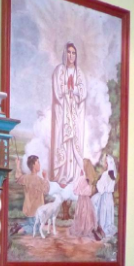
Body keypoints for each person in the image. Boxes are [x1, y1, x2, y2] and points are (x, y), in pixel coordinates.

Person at [50, 42, 87, 186]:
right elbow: (57, 91)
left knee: (73, 143)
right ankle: (63, 175)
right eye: (69, 52)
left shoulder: (79, 73)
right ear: (65, 54)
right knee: (63, 141)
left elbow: (83, 92)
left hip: (74, 113)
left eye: (74, 53)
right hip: (63, 112)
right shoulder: (60, 70)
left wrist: (74, 90)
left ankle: (74, 176)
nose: (71, 56)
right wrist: (67, 88)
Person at [11, 155, 50, 235]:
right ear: (33, 165)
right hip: (36, 210)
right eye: (38, 162)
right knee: (36, 227)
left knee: (32, 223)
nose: (39, 164)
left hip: (29, 209)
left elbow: (18, 178)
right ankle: (19, 230)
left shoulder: (26, 178)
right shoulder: (38, 180)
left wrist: (17, 165)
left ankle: (19, 226)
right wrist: (45, 177)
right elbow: (46, 190)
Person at [70, 172, 100, 240]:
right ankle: (85, 228)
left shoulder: (80, 179)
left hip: (81, 199)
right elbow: (88, 192)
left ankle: (83, 227)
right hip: (85, 199)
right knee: (86, 213)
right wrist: (90, 186)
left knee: (82, 213)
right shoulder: (84, 179)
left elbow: (76, 190)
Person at [92, 154, 117, 237]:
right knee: (108, 211)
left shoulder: (105, 174)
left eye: (106, 163)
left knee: (102, 211)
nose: (105, 164)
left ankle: (102, 228)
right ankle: (107, 227)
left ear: (109, 164)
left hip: (104, 197)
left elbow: (101, 188)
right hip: (109, 197)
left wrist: (98, 183)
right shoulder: (113, 174)